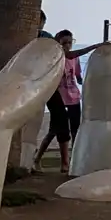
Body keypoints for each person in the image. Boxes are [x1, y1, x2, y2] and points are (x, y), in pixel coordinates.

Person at [33, 30, 105, 173]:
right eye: (64, 42)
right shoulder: (55, 56)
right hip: (58, 96)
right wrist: (95, 46)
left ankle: (73, 160)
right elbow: (69, 55)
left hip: (73, 97)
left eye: (69, 42)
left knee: (75, 129)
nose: (67, 46)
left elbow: (77, 76)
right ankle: (53, 160)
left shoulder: (74, 58)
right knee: (57, 130)